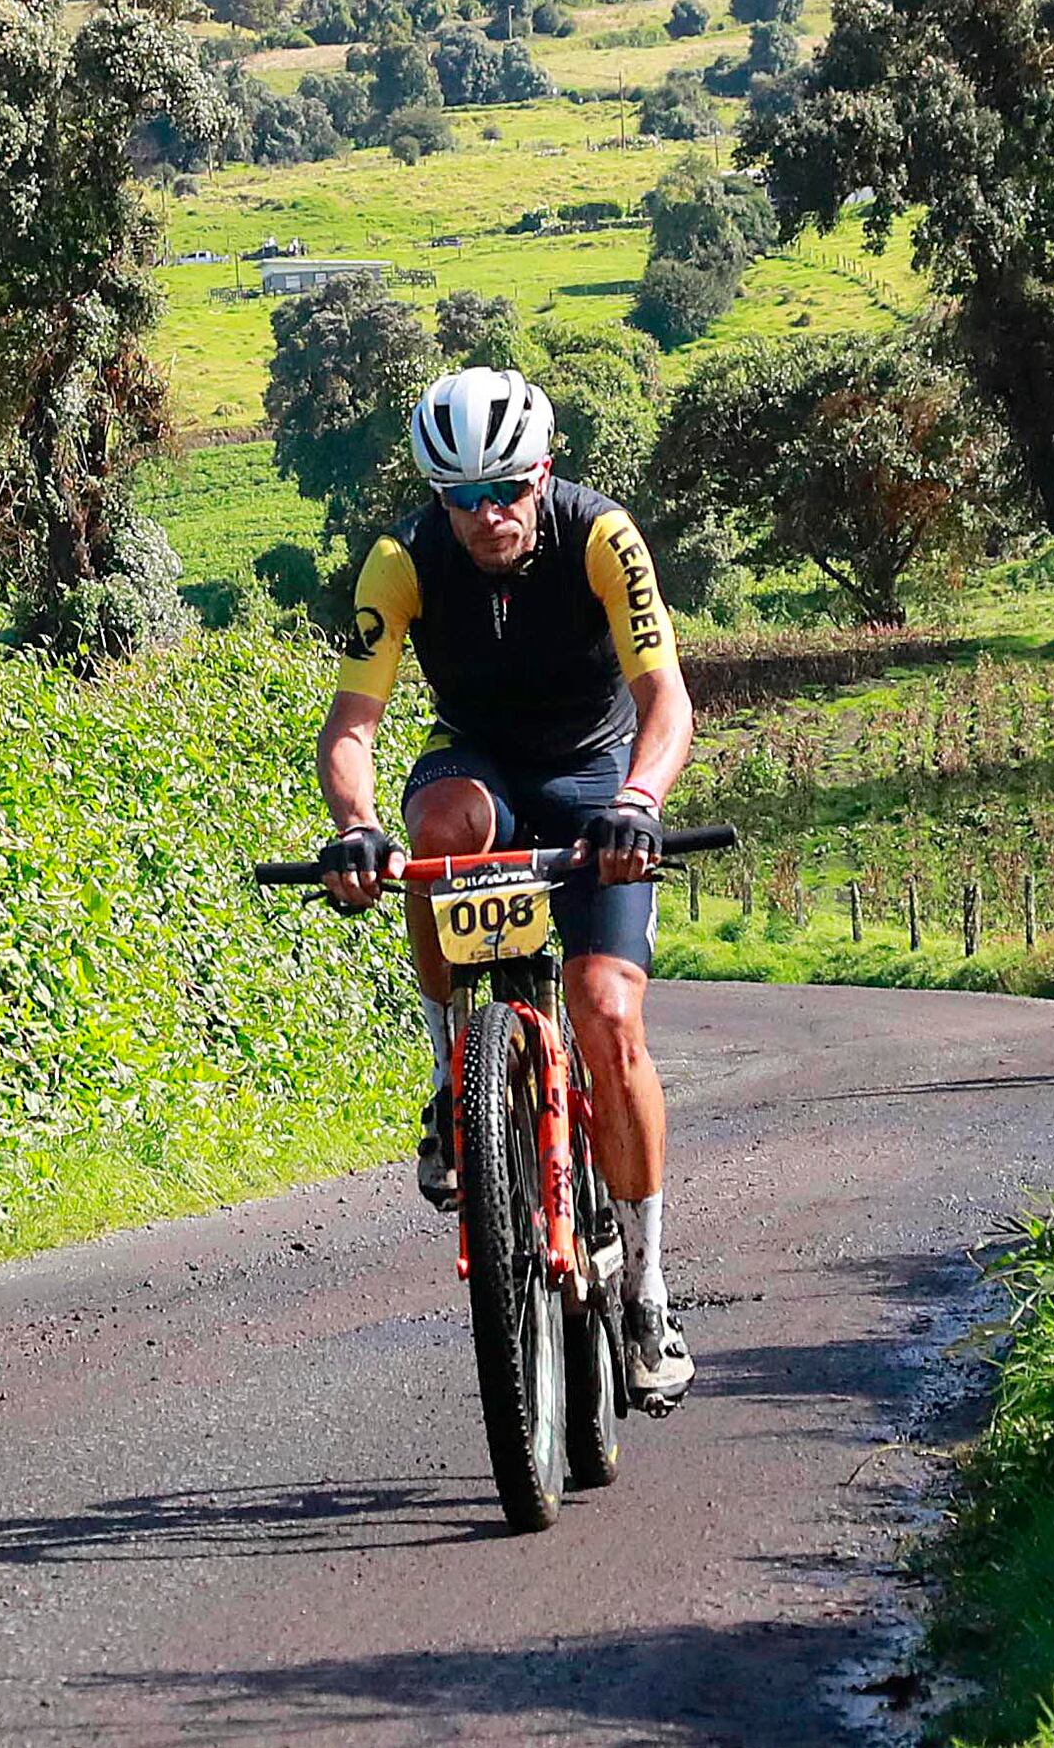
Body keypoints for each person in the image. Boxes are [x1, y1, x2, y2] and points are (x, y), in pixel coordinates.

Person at [312, 363, 699, 1413]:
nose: (488, 515)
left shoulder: (601, 535)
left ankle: (649, 1289)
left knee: (605, 1013)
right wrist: (354, 829)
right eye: (463, 496)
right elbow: (352, 726)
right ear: (438, 497)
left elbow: (666, 700)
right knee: (436, 832)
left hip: (592, 776)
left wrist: (639, 802)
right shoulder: (401, 561)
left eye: (508, 490)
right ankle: (455, 1076)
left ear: (545, 471)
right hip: (477, 763)